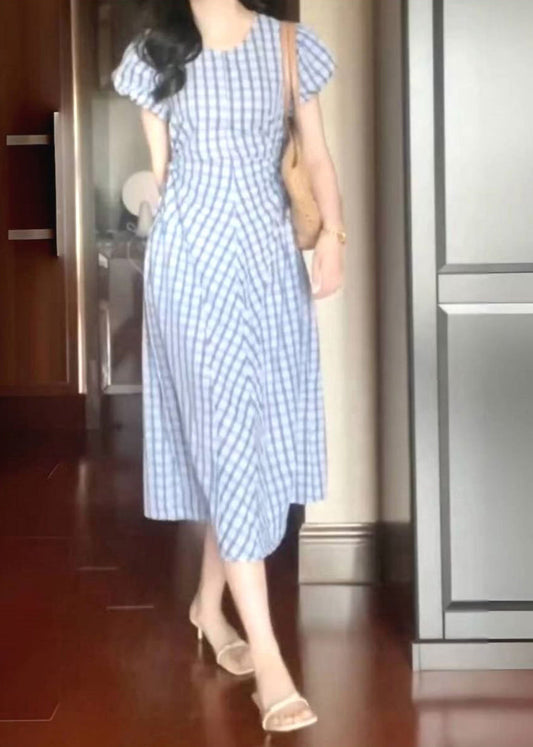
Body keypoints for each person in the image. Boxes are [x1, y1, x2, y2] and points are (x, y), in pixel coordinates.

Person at [112, 0, 345, 733]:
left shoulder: (287, 45)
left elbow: (315, 152)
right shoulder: (153, 53)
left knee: (247, 439)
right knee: (226, 435)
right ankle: (270, 663)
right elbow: (166, 177)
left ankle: (207, 608)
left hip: (268, 266)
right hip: (190, 267)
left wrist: (333, 235)